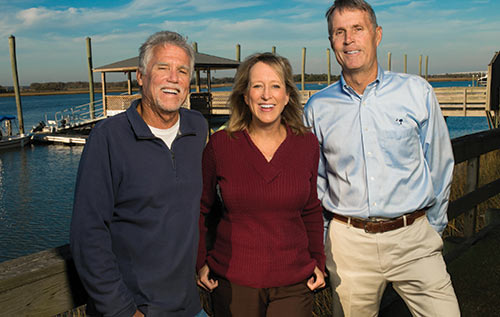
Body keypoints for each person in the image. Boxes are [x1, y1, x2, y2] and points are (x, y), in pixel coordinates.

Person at [303, 0, 461, 316]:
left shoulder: (416, 92)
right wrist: (325, 240)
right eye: (339, 32)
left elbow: (441, 163)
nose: (348, 40)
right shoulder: (317, 108)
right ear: (331, 42)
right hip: (349, 246)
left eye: (357, 29)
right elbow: (315, 181)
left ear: (377, 34)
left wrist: (434, 227)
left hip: (414, 238)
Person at [70, 31, 208, 317]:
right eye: (162, 68)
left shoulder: (198, 128)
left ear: (189, 82)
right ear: (141, 76)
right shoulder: (107, 138)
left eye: (182, 71)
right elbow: (88, 234)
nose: (173, 77)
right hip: (135, 309)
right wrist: (123, 310)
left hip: (189, 306)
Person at [196, 52, 326, 316]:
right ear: (245, 96)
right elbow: (202, 209)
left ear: (287, 95)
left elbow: (311, 209)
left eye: (275, 86)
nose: (267, 95)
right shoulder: (220, 146)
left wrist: (318, 261)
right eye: (257, 86)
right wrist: (201, 260)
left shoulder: (307, 144)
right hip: (234, 282)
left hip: (294, 282)